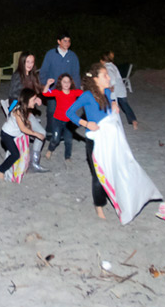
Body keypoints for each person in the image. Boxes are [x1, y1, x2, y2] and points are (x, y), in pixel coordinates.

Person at [67, 63, 159, 221]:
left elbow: (110, 107)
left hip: (111, 138)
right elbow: (69, 112)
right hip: (95, 141)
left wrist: (114, 104)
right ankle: (99, 205)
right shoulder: (87, 96)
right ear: (96, 79)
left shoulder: (108, 92)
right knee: (98, 175)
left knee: (117, 168)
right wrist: (86, 124)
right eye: (105, 75)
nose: (109, 77)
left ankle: (122, 197)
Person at [7, 52, 49, 173]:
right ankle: (22, 161)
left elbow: (37, 90)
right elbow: (13, 95)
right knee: (34, 133)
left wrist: (38, 96)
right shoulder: (17, 76)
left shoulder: (32, 75)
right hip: (18, 112)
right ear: (22, 62)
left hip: (28, 113)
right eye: (27, 62)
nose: (30, 65)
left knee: (42, 132)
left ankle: (34, 163)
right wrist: (31, 99)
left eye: (32, 62)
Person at [0, 88, 47, 182]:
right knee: (15, 154)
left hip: (16, 134)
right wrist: (36, 134)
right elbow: (23, 128)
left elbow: (26, 123)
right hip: (7, 135)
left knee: (20, 152)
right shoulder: (18, 111)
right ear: (27, 100)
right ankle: (1, 170)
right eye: (33, 99)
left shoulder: (25, 109)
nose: (35, 102)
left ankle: (17, 169)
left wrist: (30, 126)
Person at [40, 31, 81, 140]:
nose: (67, 43)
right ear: (59, 41)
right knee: (51, 111)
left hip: (67, 91)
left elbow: (76, 74)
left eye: (69, 41)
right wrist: (45, 85)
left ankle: (64, 132)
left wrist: (76, 90)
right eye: (65, 41)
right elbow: (43, 71)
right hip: (53, 90)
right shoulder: (50, 54)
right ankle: (49, 131)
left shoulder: (72, 56)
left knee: (66, 111)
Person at [42, 74, 82, 161]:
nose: (66, 84)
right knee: (55, 139)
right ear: (61, 83)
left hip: (69, 122)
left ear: (71, 83)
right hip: (57, 120)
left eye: (68, 82)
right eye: (64, 82)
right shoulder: (57, 92)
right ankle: (50, 149)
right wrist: (48, 84)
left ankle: (67, 156)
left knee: (68, 141)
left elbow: (86, 94)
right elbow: (45, 93)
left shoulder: (74, 92)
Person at [102, 51, 139, 129]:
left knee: (112, 105)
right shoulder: (113, 65)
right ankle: (133, 120)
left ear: (103, 60)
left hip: (114, 89)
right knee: (125, 105)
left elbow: (111, 78)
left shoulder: (107, 67)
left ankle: (112, 122)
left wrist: (110, 86)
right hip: (120, 88)